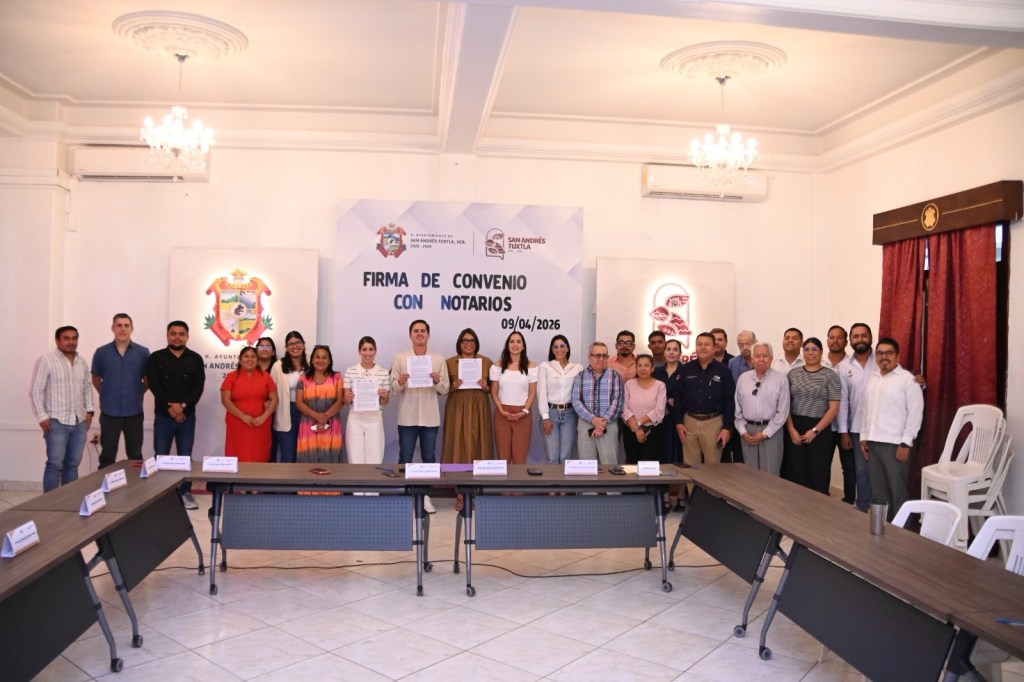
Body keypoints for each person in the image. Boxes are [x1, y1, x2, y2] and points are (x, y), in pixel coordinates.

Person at [860, 337, 924, 520]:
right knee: (879, 491)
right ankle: (881, 528)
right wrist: (864, 436)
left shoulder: (908, 380)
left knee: (898, 490)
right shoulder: (873, 378)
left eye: (889, 353)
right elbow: (866, 410)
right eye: (880, 353)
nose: (884, 357)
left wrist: (906, 443)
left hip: (895, 444)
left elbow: (915, 412)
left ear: (898, 356)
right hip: (873, 443)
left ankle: (902, 531)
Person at [391, 320, 449, 513]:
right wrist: (400, 381)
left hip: (430, 417)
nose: (419, 334)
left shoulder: (438, 359)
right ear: (410, 335)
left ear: (428, 335)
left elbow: (445, 389)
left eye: (423, 331)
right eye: (416, 331)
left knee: (429, 459)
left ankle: (425, 496)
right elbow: (394, 390)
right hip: (407, 416)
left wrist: (437, 381)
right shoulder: (400, 358)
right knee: (405, 457)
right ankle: (404, 496)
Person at [146, 321, 205, 509]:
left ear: (187, 337)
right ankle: (161, 495)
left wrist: (183, 407)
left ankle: (185, 492)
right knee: (161, 455)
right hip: (164, 416)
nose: (177, 337)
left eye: (181, 334)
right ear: (167, 335)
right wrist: (170, 407)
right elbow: (154, 385)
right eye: (173, 333)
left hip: (187, 417)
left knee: (185, 455)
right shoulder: (156, 358)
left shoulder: (195, 359)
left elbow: (198, 387)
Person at [30, 325, 94, 492]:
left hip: (79, 422)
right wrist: (42, 417)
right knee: (55, 464)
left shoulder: (81, 362)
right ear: (57, 341)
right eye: (66, 338)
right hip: (56, 422)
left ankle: (69, 501)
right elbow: (35, 390)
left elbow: (87, 387)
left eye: (74, 338)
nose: (71, 342)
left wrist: (89, 411)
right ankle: (50, 503)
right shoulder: (47, 360)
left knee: (72, 464)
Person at [91, 313, 149, 468]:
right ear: (112, 328)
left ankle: (136, 484)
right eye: (119, 325)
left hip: (134, 413)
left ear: (132, 329)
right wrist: (108, 394)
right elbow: (95, 379)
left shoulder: (143, 352)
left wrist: (136, 393)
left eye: (126, 325)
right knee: (107, 456)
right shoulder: (101, 352)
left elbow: (147, 380)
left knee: (135, 456)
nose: (122, 329)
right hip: (109, 413)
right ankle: (104, 483)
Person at [783, 337, 841, 494]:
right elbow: (785, 404)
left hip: (819, 428)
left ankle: (816, 508)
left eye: (814, 349)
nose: (810, 353)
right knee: (794, 471)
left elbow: (834, 408)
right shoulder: (792, 374)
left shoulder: (830, 375)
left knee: (817, 473)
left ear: (821, 352)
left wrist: (815, 431)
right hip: (794, 425)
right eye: (807, 349)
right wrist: (791, 429)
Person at [673, 332, 734, 466]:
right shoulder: (685, 369)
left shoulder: (724, 371)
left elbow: (729, 401)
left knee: (712, 467)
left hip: (713, 423)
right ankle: (691, 483)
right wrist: (678, 422)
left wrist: (727, 428)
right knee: (690, 467)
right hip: (688, 422)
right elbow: (678, 398)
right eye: (699, 344)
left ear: (714, 348)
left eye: (707, 344)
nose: (703, 347)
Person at [734, 341, 789, 475]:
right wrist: (743, 431)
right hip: (748, 432)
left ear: (771, 358)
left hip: (772, 431)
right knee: (750, 474)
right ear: (752, 358)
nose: (761, 359)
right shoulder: (743, 379)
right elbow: (737, 409)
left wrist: (765, 433)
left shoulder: (781, 379)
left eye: (765, 356)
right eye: (757, 356)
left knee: (770, 473)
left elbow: (782, 411)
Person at [837, 322, 875, 511]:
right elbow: (843, 400)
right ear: (850, 340)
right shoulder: (844, 367)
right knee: (861, 471)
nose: (860, 339)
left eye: (863, 335)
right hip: (857, 428)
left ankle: (882, 510)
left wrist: (919, 382)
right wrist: (844, 432)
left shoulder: (881, 360)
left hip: (882, 429)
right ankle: (861, 508)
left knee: (880, 471)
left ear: (871, 337)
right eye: (856, 336)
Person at [442, 328, 493, 463]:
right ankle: (455, 472)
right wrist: (453, 386)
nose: (468, 343)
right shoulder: (449, 363)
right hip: (457, 407)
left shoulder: (486, 362)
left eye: (472, 340)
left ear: (476, 343)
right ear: (459, 343)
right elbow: (442, 389)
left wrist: (486, 386)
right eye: (465, 340)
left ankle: (481, 472)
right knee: (456, 439)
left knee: (480, 439)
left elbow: (495, 389)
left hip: (480, 407)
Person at [221, 346, 278, 462]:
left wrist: (263, 417)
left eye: (253, 356)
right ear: (240, 359)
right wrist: (243, 416)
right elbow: (225, 400)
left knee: (260, 456)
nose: (250, 359)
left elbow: (275, 399)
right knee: (238, 455)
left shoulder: (266, 376)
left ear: (257, 359)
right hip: (237, 424)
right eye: (246, 356)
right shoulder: (231, 377)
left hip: (260, 424)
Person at [571, 342, 624, 465]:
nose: (601, 359)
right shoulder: (580, 376)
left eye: (604, 356)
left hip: (609, 424)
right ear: (589, 357)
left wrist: (602, 422)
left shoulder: (615, 376)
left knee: (610, 464)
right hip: (586, 423)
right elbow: (576, 401)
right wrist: (593, 419)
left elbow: (618, 401)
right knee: (586, 464)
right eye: (597, 355)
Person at [490, 331, 538, 464]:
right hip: (502, 414)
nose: (515, 345)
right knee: (503, 457)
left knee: (519, 457)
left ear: (523, 346)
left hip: (523, 414)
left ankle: (519, 479)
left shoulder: (531, 366)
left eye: (518, 341)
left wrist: (525, 411)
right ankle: (503, 479)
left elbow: (532, 392)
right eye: (512, 341)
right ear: (507, 345)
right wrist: (501, 410)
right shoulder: (497, 366)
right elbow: (494, 392)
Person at [343, 336, 390, 464]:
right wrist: (347, 398)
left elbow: (385, 402)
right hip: (355, 419)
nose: (367, 353)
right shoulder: (350, 371)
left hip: (374, 418)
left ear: (375, 351)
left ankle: (373, 479)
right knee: (354, 458)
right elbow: (346, 401)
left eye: (371, 349)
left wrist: (384, 397)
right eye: (364, 349)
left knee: (375, 458)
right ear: (359, 351)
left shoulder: (383, 372)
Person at [295, 345, 344, 463]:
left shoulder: (337, 377)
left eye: (324, 357)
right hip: (308, 426)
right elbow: (299, 403)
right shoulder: (303, 378)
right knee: (308, 461)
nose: (320, 360)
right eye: (317, 357)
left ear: (329, 361)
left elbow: (340, 401)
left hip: (331, 426)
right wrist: (317, 416)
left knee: (331, 462)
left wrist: (325, 417)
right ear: (312, 360)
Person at [538, 334, 583, 464]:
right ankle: (552, 479)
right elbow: (541, 393)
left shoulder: (577, 368)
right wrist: (545, 418)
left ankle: (564, 479)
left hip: (570, 414)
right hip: (550, 414)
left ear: (567, 348)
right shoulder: (545, 366)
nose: (559, 350)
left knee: (565, 457)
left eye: (562, 346)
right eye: (556, 347)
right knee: (552, 457)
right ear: (552, 350)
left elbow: (580, 394)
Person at [825, 324, 856, 504]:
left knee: (849, 467)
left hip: (847, 425)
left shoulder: (852, 364)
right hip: (825, 424)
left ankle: (849, 501)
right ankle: (823, 498)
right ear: (827, 340)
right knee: (823, 463)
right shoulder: (819, 362)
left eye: (839, 337)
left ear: (846, 341)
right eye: (832, 337)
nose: (835, 341)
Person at [271, 331, 308, 463]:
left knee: (304, 453)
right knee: (288, 455)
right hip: (286, 412)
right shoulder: (278, 366)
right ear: (286, 347)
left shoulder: (311, 364)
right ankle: (286, 477)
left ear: (303, 344)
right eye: (290, 344)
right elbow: (271, 391)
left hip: (307, 412)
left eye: (298, 342)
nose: (294, 346)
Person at [622, 354, 666, 464]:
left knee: (649, 465)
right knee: (631, 464)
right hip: (631, 431)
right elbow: (624, 408)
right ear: (636, 368)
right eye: (639, 365)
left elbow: (659, 411)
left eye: (646, 365)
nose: (643, 369)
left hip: (652, 432)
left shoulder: (660, 385)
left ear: (652, 368)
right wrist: (636, 428)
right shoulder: (629, 384)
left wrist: (639, 423)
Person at [653, 339, 684, 466]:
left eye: (675, 350)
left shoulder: (686, 371)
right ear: (664, 352)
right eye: (668, 349)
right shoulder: (656, 372)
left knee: (677, 453)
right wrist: (665, 401)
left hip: (679, 418)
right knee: (659, 451)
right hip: (659, 418)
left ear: (680, 353)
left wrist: (676, 401)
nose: (671, 352)